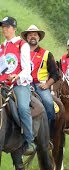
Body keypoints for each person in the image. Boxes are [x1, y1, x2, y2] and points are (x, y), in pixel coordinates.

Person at [0, 16, 34, 155]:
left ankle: (29, 141)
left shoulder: (22, 45)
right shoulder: (1, 46)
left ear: (14, 29)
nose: (4, 30)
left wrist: (17, 76)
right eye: (3, 27)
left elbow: (27, 69)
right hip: (3, 84)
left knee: (23, 108)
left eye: (7, 27)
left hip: (19, 84)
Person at [21, 25, 60, 139]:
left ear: (39, 37)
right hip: (23, 83)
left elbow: (55, 74)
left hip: (40, 85)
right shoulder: (21, 52)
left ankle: (49, 135)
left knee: (48, 104)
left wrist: (47, 84)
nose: (32, 36)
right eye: (30, 34)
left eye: (35, 34)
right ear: (27, 38)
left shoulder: (46, 54)